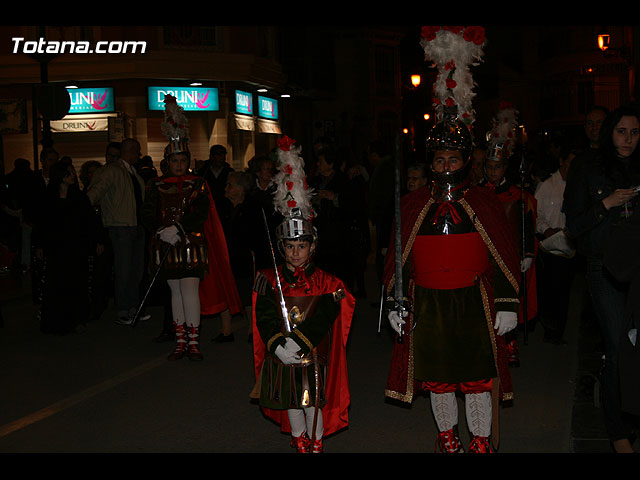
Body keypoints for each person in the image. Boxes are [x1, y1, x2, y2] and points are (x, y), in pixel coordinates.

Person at [385, 26, 519, 454]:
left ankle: (480, 440)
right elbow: (398, 261)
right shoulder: (412, 204)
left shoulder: (483, 202)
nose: (445, 165)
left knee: (476, 377)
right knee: (438, 379)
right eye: (439, 158)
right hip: (429, 303)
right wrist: (395, 302)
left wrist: (507, 304)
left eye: (453, 158)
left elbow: (503, 255)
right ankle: (448, 439)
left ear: (465, 161)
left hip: (472, 301)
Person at [252, 135, 354, 453]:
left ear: (312, 246)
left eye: (302, 246)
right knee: (291, 401)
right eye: (291, 247)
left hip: (312, 357)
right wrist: (277, 343)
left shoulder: (328, 282)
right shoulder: (268, 280)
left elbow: (326, 313)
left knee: (313, 402)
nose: (296, 253)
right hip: (283, 354)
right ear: (283, 247)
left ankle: (317, 443)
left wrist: (301, 339)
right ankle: (300, 443)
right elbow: (264, 314)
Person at [141, 95, 242, 359]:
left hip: (191, 244)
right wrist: (160, 230)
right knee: (175, 291)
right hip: (166, 243)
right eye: (174, 162)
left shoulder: (198, 184)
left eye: (182, 161)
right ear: (167, 162)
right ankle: (180, 341)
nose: (179, 165)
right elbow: (148, 211)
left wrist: (180, 229)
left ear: (188, 161)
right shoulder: (156, 185)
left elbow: (201, 212)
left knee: (189, 289)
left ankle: (194, 341)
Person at [564, 104, 640, 453]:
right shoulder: (588, 169)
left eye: (634, 132)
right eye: (621, 131)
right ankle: (618, 433)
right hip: (604, 269)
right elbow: (574, 227)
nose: (628, 139)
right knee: (617, 347)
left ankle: (632, 416)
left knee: (636, 349)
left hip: (638, 269)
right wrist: (606, 204)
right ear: (610, 132)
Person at [482, 104, 538, 367]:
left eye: (498, 167)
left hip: (509, 255)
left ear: (505, 168)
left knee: (508, 301)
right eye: (490, 167)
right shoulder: (478, 194)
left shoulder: (518, 196)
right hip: (483, 256)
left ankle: (510, 344)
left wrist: (527, 253)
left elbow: (525, 225)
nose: (493, 172)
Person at [35, 161, 101, 334]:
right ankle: (56, 320)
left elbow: (89, 222)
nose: (72, 176)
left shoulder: (79, 198)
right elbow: (42, 223)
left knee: (76, 282)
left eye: (72, 173)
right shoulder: (49, 198)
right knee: (56, 283)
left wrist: (95, 242)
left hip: (75, 247)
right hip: (56, 248)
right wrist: (40, 245)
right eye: (68, 173)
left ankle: (75, 318)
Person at [87, 138, 147, 326]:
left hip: (135, 225)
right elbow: (95, 192)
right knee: (124, 269)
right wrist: (82, 206)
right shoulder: (113, 171)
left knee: (135, 270)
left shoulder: (132, 173)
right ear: (131, 151)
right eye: (137, 151)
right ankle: (123, 308)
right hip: (121, 226)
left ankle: (132, 307)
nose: (139, 155)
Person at [535, 144, 577, 344]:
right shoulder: (547, 185)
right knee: (547, 289)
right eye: (570, 163)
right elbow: (536, 213)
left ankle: (557, 330)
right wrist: (547, 230)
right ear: (561, 162)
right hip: (549, 245)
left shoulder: (578, 185)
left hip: (568, 247)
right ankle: (548, 324)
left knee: (563, 291)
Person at [216, 170, 258, 342]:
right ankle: (226, 331)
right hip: (225, 256)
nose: (226, 188)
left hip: (244, 257)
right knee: (224, 292)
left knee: (247, 293)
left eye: (230, 185)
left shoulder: (252, 207)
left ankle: (252, 329)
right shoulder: (223, 207)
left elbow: (256, 235)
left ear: (240, 189)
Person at [197, 144, 234, 208]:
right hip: (207, 206)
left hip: (225, 206)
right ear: (212, 156)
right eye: (218, 154)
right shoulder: (204, 172)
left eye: (223, 155)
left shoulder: (229, 172)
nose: (221, 158)